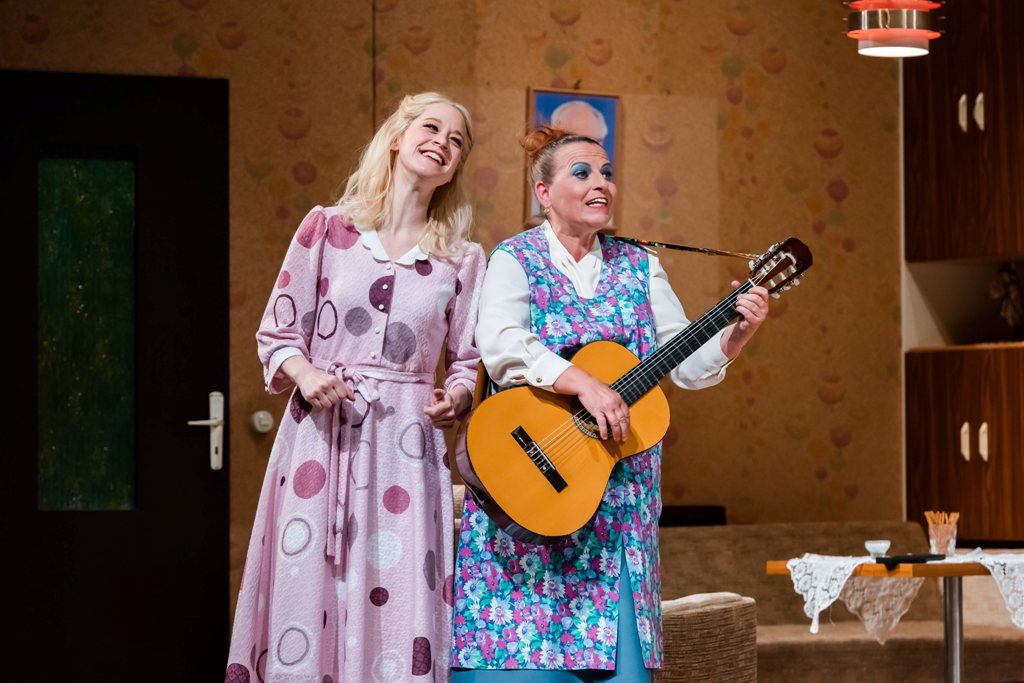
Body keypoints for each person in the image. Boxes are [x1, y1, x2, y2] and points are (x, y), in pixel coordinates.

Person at [451, 127, 770, 681]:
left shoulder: (640, 265)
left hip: (617, 514)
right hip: (527, 493)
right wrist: (581, 382)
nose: (601, 183)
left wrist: (735, 335)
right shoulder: (515, 257)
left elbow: (684, 362)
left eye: (607, 173)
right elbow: (501, 345)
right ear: (543, 192)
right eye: (582, 173)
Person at [226, 92, 486, 682]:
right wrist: (307, 373)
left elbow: (469, 361)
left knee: (396, 592)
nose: (443, 143)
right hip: (320, 439)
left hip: (407, 450)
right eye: (432, 127)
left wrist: (459, 396)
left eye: (457, 141)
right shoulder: (327, 229)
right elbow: (278, 331)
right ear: (396, 136)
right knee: (306, 588)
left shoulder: (463, 259)